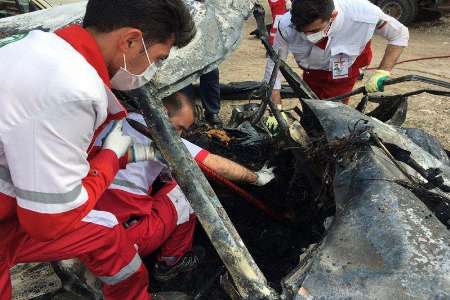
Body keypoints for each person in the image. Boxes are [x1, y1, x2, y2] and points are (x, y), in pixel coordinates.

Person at [0, 0, 195, 299]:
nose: (153, 70)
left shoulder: (35, 45)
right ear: (130, 40)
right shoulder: (73, 90)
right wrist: (109, 158)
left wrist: (117, 158)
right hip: (19, 219)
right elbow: (49, 222)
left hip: (11, 204)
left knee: (105, 233)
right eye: (158, 59)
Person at [94, 90, 276, 283]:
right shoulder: (158, 134)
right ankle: (171, 263)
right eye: (179, 127)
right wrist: (256, 177)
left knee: (171, 183)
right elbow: (213, 163)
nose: (179, 135)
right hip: (118, 240)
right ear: (162, 112)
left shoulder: (122, 119)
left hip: (88, 218)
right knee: (189, 191)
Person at [264, 0, 409, 130]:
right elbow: (275, 63)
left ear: (332, 16)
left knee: (332, 115)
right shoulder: (286, 24)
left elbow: (399, 34)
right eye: (302, 31)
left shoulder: (364, 14)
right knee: (311, 108)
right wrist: (276, 108)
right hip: (311, 73)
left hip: (345, 70)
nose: (308, 36)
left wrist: (383, 71)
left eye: (314, 31)